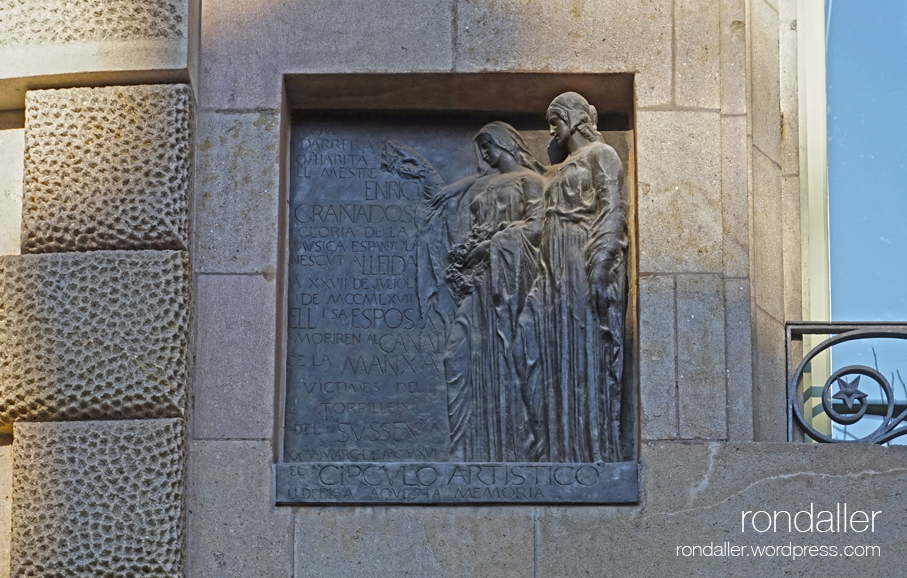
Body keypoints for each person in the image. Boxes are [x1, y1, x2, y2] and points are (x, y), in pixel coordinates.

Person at [383, 122, 545, 461]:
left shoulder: (531, 182)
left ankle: (519, 448)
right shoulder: (481, 184)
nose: (484, 153)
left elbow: (538, 227)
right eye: (480, 147)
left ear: (506, 143)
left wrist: (490, 245)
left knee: (507, 357)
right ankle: (465, 449)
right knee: (457, 355)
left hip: (512, 282)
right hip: (477, 282)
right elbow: (451, 211)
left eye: (488, 145)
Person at [515, 92, 628, 463]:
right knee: (539, 344)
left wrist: (601, 267)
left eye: (556, 119)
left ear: (576, 118)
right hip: (550, 266)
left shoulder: (602, 156)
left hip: (579, 258)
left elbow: (613, 210)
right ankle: (553, 445)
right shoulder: (558, 168)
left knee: (582, 350)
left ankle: (588, 450)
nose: (551, 128)